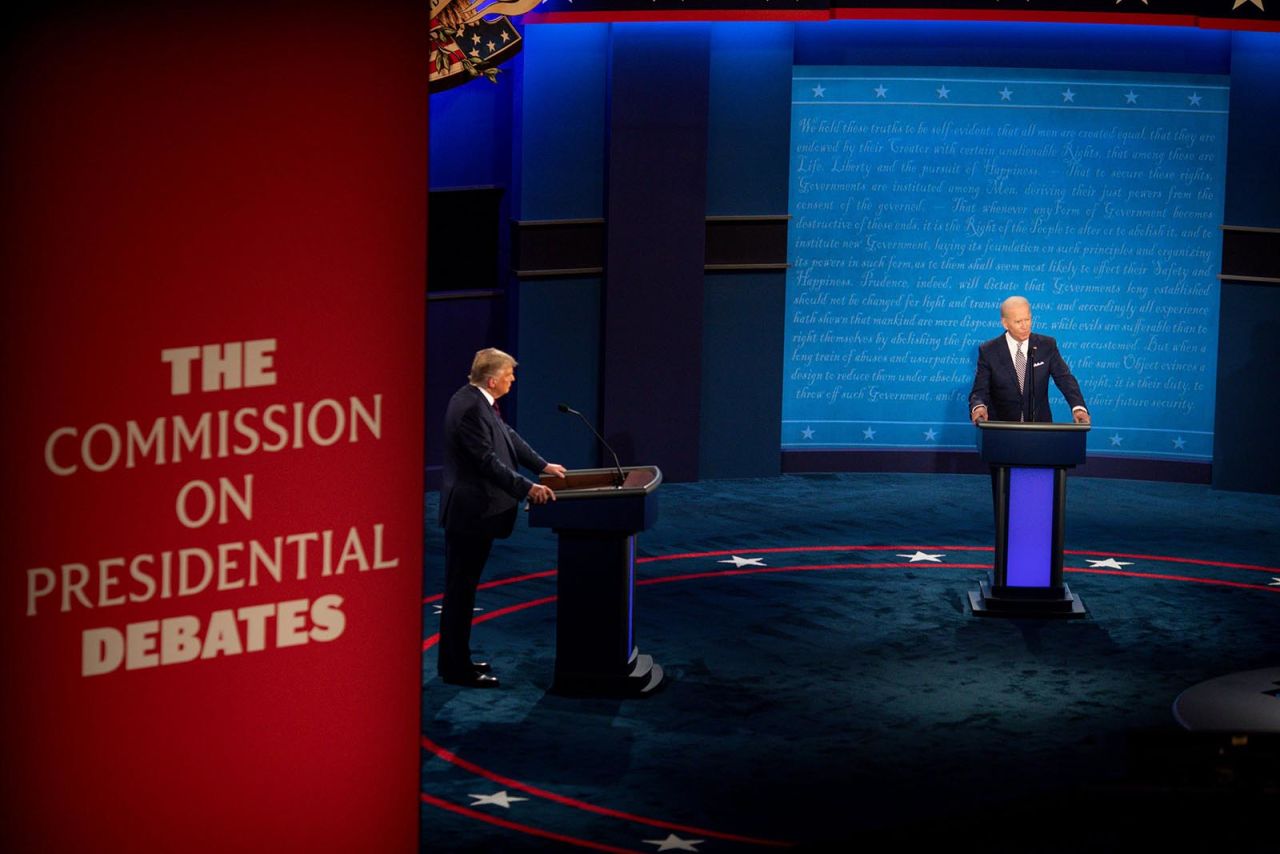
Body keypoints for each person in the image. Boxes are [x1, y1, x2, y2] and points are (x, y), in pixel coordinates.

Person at [438, 347, 567, 688]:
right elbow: (487, 462)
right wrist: (528, 488)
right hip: (470, 513)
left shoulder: (478, 401)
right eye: (510, 375)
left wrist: (541, 466)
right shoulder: (470, 409)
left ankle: (457, 659)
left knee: (463, 590)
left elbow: (508, 437)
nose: (513, 380)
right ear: (493, 379)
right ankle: (455, 668)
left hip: (474, 511)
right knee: (460, 592)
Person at [969, 296, 1091, 425]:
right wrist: (979, 406)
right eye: (1018, 321)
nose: (1025, 326)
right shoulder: (989, 351)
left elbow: (1065, 379)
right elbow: (980, 390)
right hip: (1001, 427)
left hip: (1039, 427)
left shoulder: (1047, 345)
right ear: (1005, 323)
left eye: (1027, 319)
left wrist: (1078, 408)